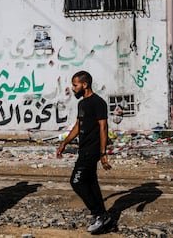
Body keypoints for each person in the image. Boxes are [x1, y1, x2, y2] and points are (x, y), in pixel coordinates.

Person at [56, 70, 112, 234]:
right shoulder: (82, 104)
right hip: (84, 149)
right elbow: (78, 126)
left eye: (75, 85)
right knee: (90, 182)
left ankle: (99, 214)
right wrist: (64, 143)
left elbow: (103, 127)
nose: (73, 88)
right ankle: (103, 216)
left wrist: (103, 153)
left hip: (92, 150)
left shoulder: (98, 102)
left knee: (77, 181)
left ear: (84, 84)